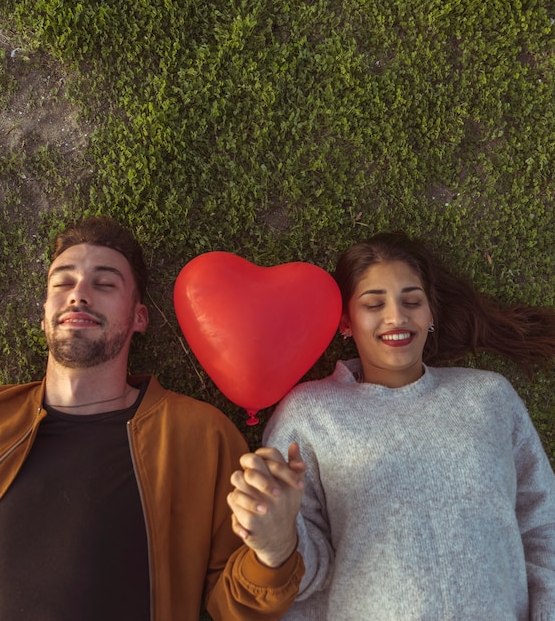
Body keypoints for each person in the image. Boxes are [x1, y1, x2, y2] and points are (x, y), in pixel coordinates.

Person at [0, 215, 304, 621]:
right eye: (62, 283)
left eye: (104, 283)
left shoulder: (201, 436)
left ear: (139, 318)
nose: (78, 295)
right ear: (44, 315)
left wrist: (276, 549)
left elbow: (235, 608)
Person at [229, 231, 555, 619]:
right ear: (346, 322)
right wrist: (279, 542)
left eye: (412, 301)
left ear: (431, 313)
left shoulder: (488, 397)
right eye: (373, 304)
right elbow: (304, 575)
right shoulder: (310, 415)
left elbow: (542, 526)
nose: (396, 317)